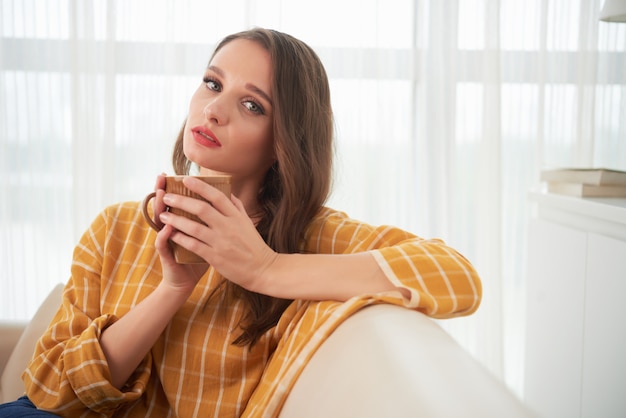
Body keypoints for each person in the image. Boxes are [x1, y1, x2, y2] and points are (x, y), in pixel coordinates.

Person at [0, 27, 482, 417]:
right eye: (212, 83)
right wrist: (171, 291)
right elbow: (48, 392)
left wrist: (265, 268)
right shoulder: (117, 228)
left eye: (252, 105)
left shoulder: (314, 237)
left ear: (283, 141)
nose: (213, 110)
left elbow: (456, 275)